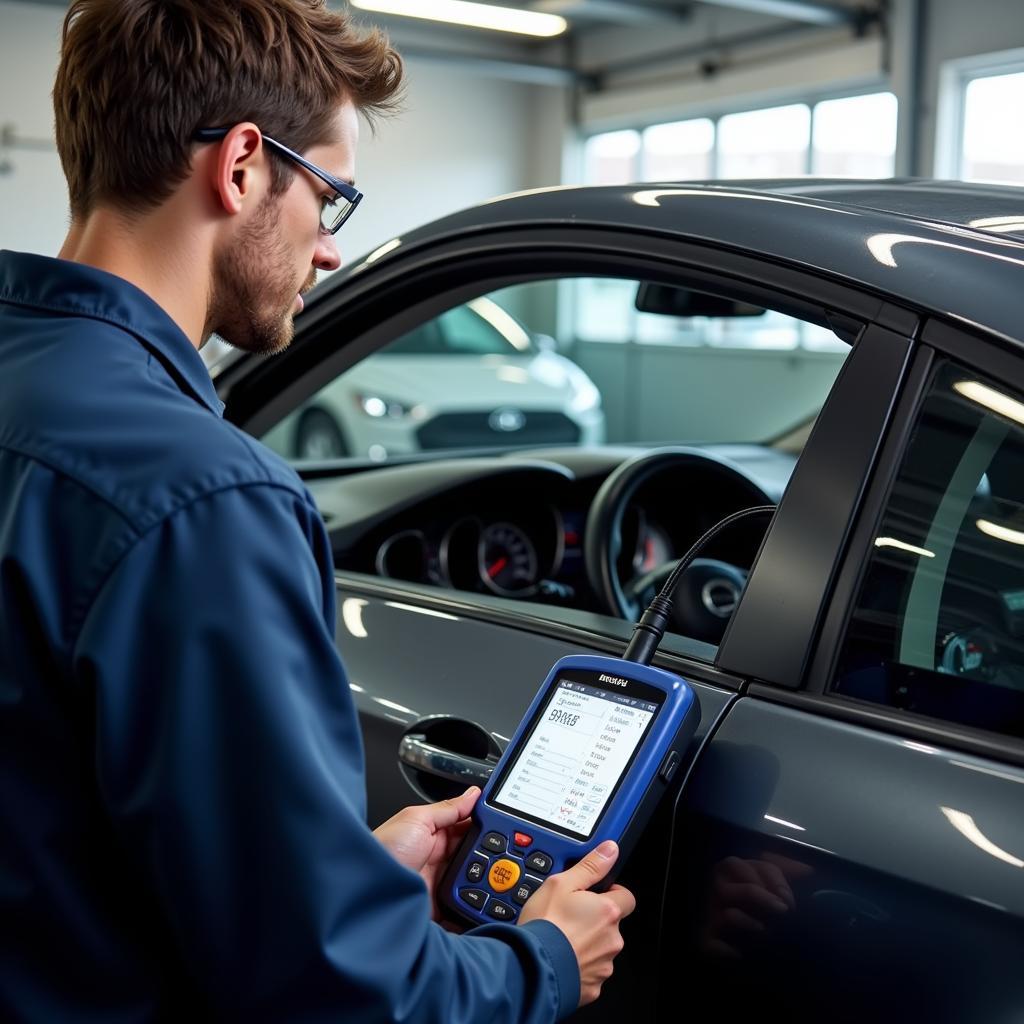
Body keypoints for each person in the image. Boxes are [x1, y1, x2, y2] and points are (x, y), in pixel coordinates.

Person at [0, 1, 635, 1021]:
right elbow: (331, 993)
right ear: (243, 165)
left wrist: (344, 877)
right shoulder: (205, 499)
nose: (330, 249)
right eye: (331, 198)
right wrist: (543, 961)